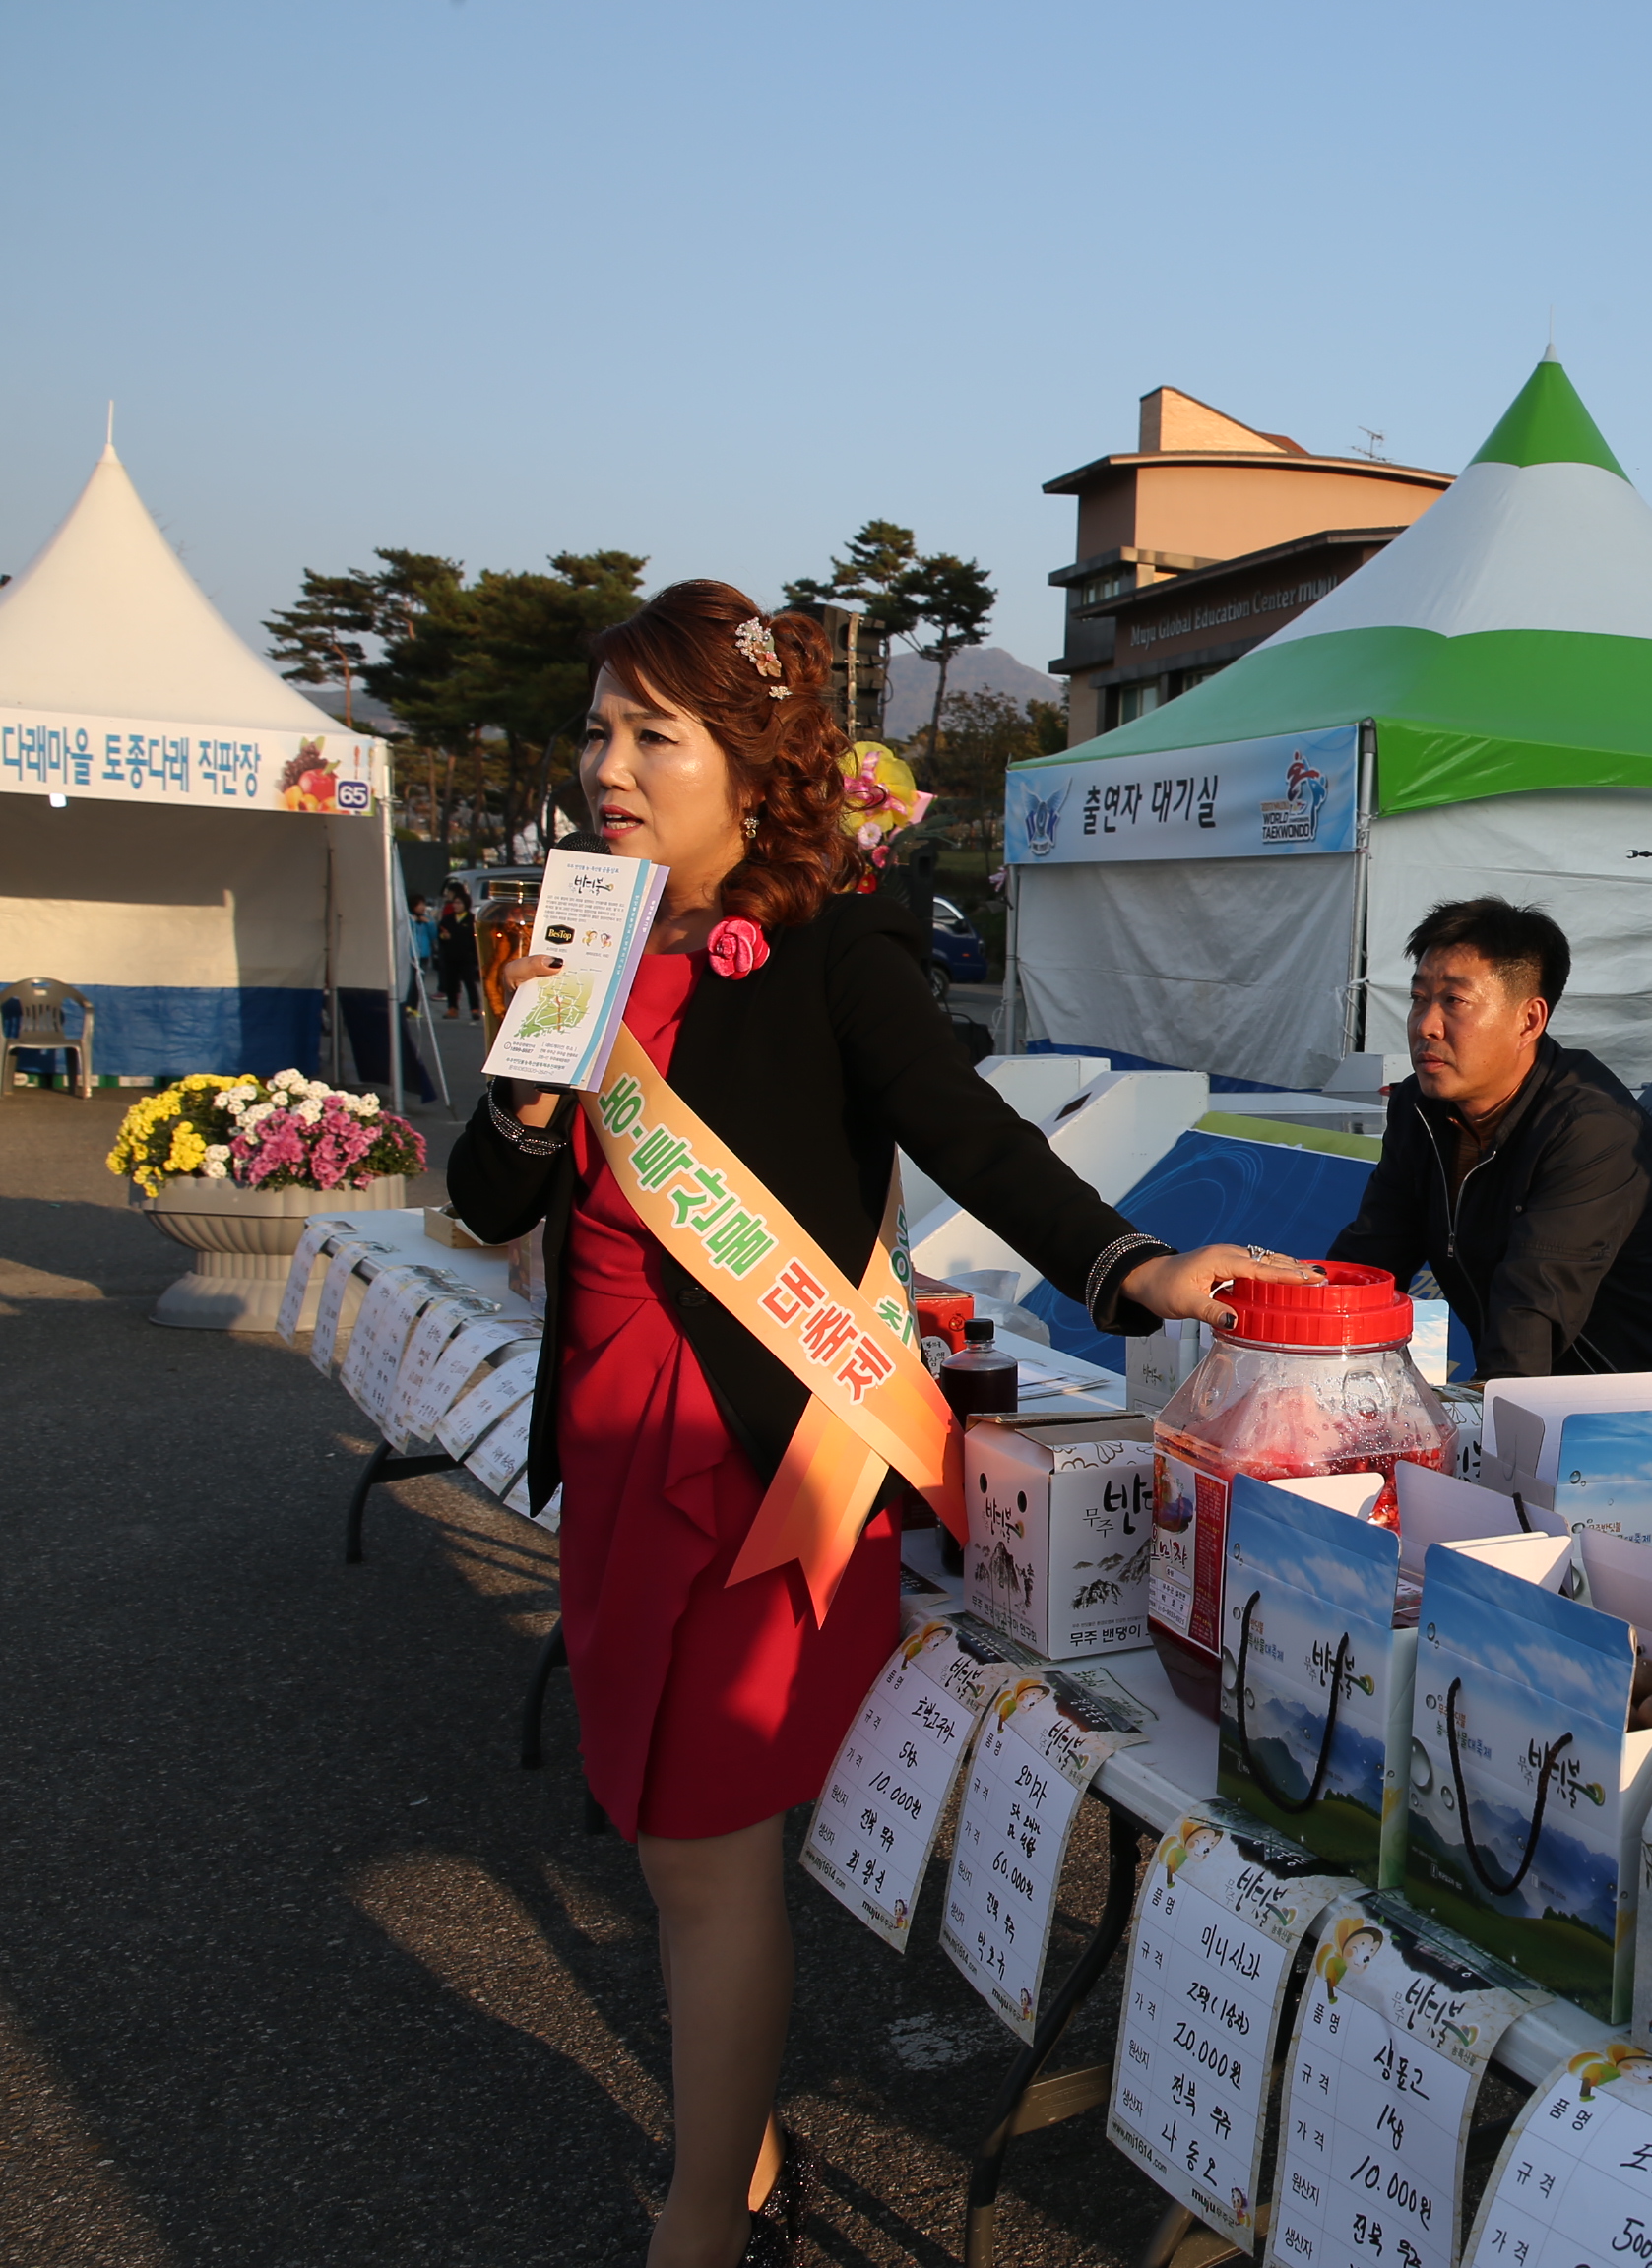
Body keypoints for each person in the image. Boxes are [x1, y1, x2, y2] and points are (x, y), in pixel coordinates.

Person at [447, 582, 1318, 2268]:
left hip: (765, 1468)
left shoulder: (841, 944)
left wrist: (1129, 1264)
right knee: (657, 1830)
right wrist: (518, 1097)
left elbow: (965, 1125)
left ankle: (703, 2221)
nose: (606, 766)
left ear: (750, 765)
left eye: (652, 733)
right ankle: (740, 2153)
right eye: (596, 729)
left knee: (706, 1858)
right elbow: (492, 1192)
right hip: (619, 1450)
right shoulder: (581, 941)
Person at [1329, 899, 1652, 1386]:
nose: (1425, 1025)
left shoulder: (1593, 1128)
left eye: (1454, 1002)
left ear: (1529, 1020)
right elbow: (1371, 1257)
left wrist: (1487, 1413)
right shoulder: (1420, 1107)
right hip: (1532, 1382)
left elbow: (1533, 1303)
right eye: (1419, 998)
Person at [434, 888, 477, 1018]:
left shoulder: (471, 920)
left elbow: (474, 939)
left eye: (459, 903)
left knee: (470, 983)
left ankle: (474, 1008)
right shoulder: (447, 919)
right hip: (450, 957)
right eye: (455, 903)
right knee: (451, 984)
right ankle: (452, 1008)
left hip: (466, 957)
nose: (456, 905)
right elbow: (439, 934)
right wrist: (443, 936)